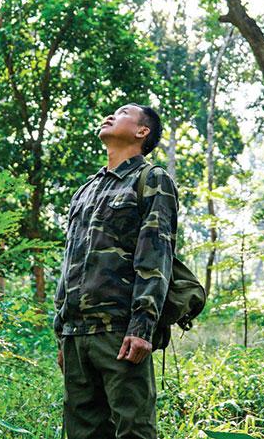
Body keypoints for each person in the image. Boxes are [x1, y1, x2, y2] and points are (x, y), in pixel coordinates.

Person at [54, 103, 178, 439]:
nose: (110, 115)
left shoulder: (151, 179)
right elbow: (69, 263)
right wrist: (61, 331)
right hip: (76, 333)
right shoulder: (86, 190)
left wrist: (143, 327)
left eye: (123, 113)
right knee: (82, 432)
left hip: (121, 332)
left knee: (133, 430)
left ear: (142, 132)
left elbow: (156, 256)